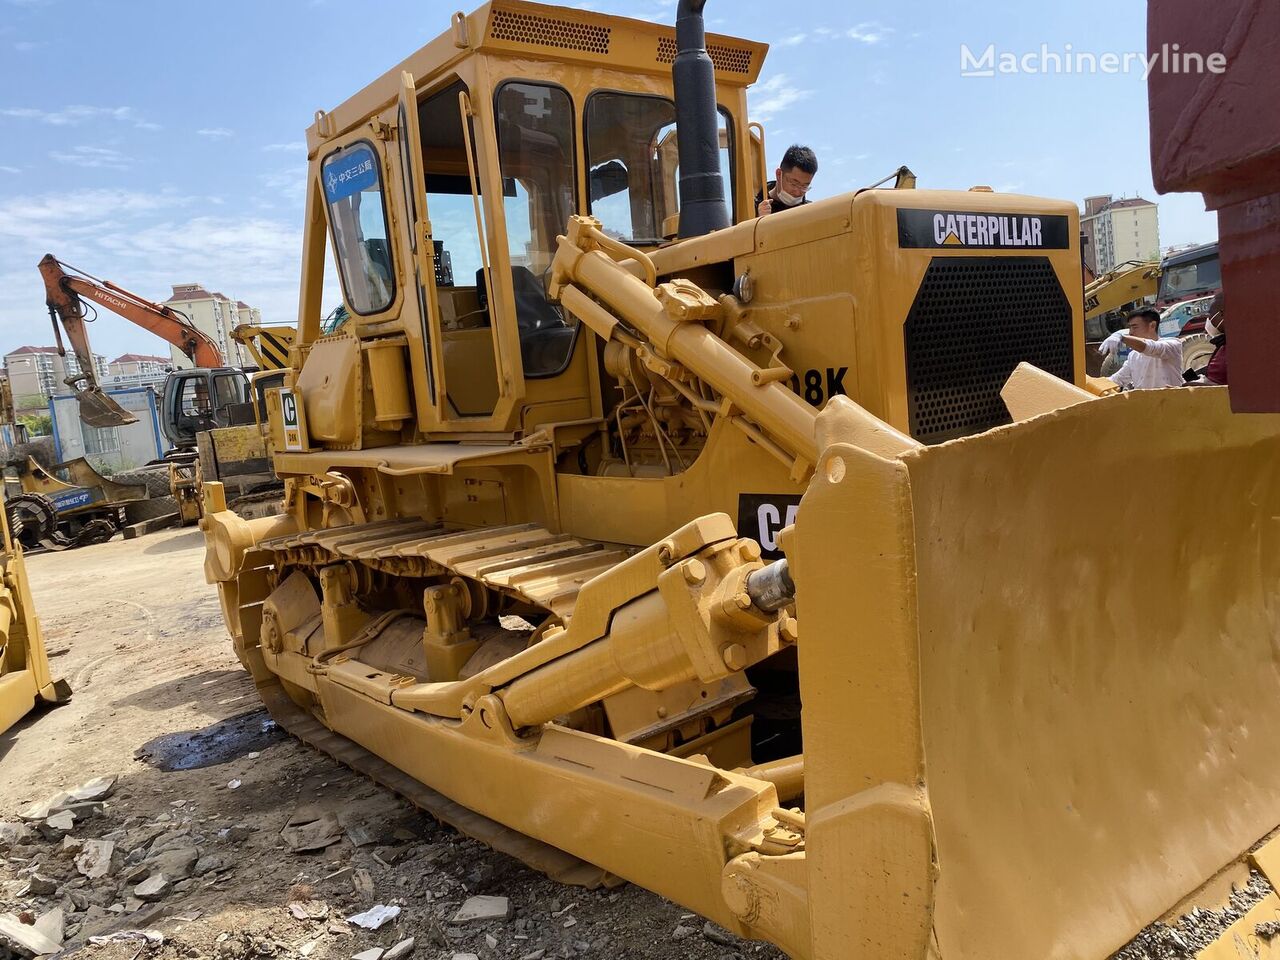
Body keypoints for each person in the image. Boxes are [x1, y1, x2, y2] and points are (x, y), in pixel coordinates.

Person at [1098, 308, 1184, 390]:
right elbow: (1117, 379)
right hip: (1145, 403)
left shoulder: (1172, 345)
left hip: (1171, 402)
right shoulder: (1133, 356)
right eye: (1130, 327)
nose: (1131, 332)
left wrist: (1122, 337)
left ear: (1152, 325)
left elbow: (1151, 347)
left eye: (1135, 327)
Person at [755, 145, 818, 216]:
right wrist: (758, 222)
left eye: (804, 186)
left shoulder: (810, 212)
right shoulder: (753, 207)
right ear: (779, 174)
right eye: (794, 184)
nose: (797, 193)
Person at [1190, 291, 1228, 386]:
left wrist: (1190, 386)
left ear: (1222, 313)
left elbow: (1218, 385)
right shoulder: (1223, 344)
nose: (1208, 319)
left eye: (1210, 314)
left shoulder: (1231, 347)